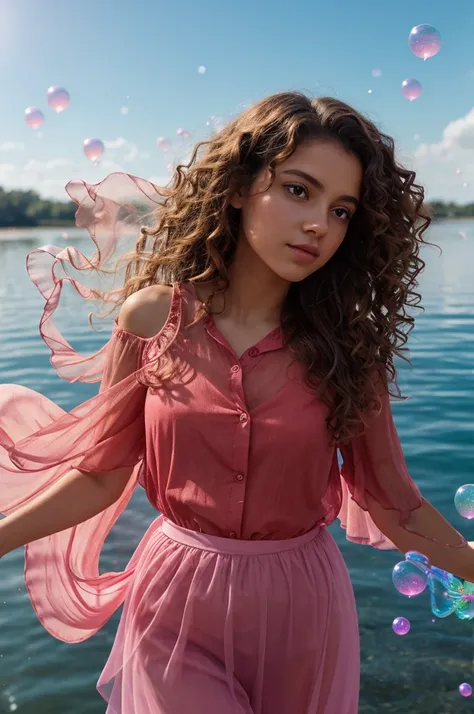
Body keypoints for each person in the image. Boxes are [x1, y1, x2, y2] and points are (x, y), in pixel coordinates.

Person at [0, 90, 472, 714]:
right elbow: (101, 476)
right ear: (239, 187)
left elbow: (395, 506)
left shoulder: (351, 351)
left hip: (304, 610)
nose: (318, 225)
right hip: (175, 600)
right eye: (299, 191)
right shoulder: (152, 319)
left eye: (341, 210)